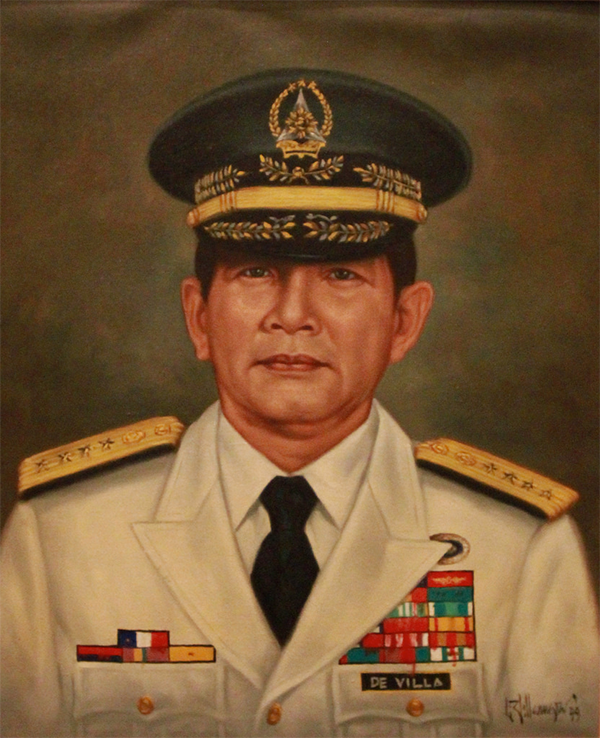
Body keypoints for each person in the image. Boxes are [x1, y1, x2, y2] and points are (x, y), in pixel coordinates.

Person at [1, 69, 597, 738]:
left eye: (341, 275)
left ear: (404, 321)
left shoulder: (516, 547)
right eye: (256, 272)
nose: (292, 316)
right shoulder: (63, 534)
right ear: (199, 317)